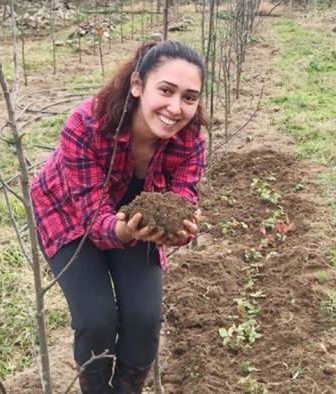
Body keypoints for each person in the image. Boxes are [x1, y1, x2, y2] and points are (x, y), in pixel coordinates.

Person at [30, 40, 207, 394]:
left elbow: (184, 197)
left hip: (136, 222)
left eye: (189, 97)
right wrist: (124, 230)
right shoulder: (88, 124)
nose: (176, 108)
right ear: (138, 85)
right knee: (96, 319)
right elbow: (94, 219)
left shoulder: (190, 141)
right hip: (69, 214)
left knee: (144, 319)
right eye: (166, 91)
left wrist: (180, 230)